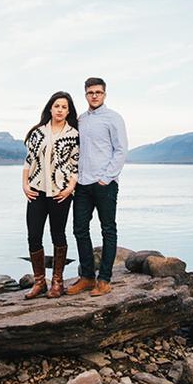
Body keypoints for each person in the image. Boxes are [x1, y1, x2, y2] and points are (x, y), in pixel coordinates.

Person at [67, 77, 127, 297]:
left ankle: (104, 280)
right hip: (82, 184)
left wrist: (107, 177)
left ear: (104, 94)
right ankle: (87, 277)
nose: (94, 96)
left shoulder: (113, 118)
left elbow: (121, 150)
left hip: (104, 184)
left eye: (98, 92)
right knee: (79, 229)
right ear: (85, 95)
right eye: (90, 92)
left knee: (108, 229)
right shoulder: (81, 120)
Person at [22, 91, 80, 299]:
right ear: (50, 108)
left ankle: (57, 282)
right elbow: (28, 161)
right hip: (36, 190)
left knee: (58, 234)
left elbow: (75, 164)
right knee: (33, 235)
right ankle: (39, 282)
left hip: (60, 192)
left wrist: (70, 187)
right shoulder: (37, 132)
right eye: (57, 106)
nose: (60, 110)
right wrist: (25, 185)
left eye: (64, 107)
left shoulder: (74, 134)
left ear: (69, 111)